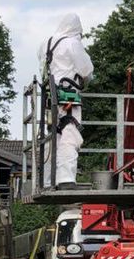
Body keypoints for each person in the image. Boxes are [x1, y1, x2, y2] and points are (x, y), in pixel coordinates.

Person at [38, 14, 94, 190]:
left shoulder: (45, 44)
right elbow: (86, 70)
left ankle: (48, 180)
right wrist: (86, 81)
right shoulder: (72, 43)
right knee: (70, 135)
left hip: (49, 97)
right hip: (67, 96)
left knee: (52, 137)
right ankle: (66, 180)